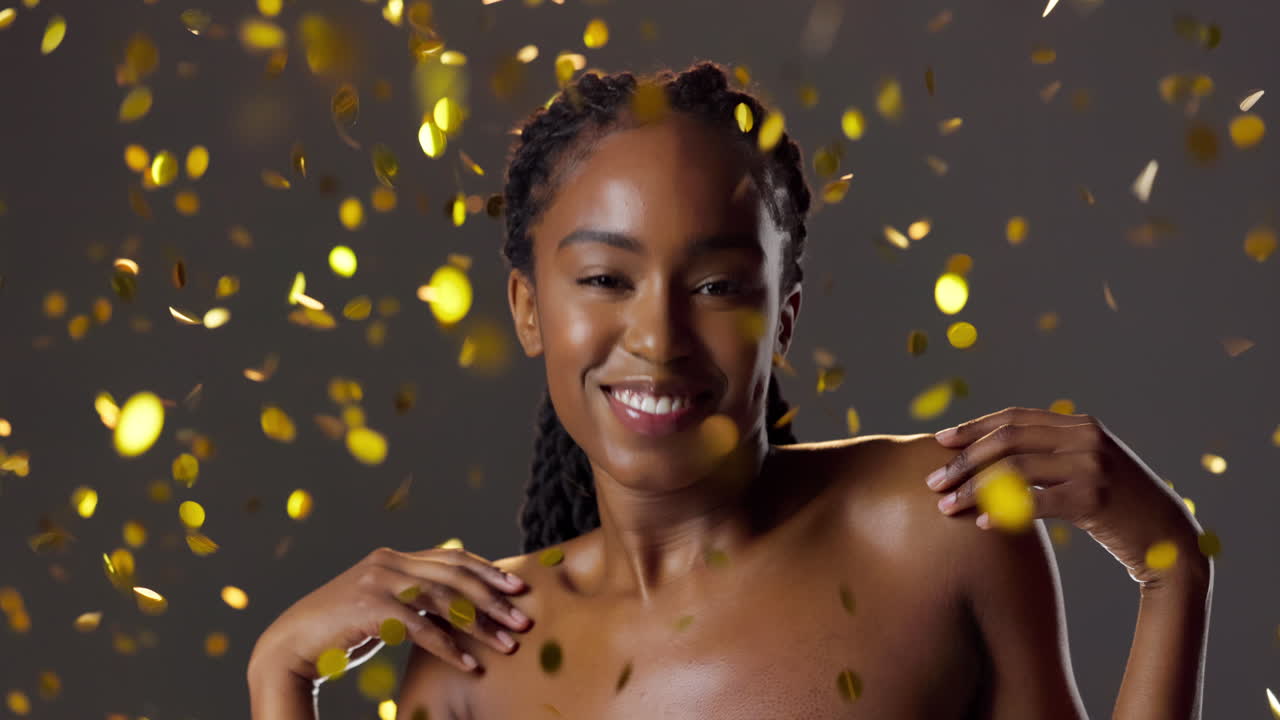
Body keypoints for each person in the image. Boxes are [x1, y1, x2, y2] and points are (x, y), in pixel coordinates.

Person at [249, 61, 1211, 720]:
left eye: (715, 285)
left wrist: (1172, 570)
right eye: (603, 280)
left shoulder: (936, 526)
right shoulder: (475, 657)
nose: (658, 337)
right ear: (528, 307)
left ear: (782, 314)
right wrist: (280, 679)